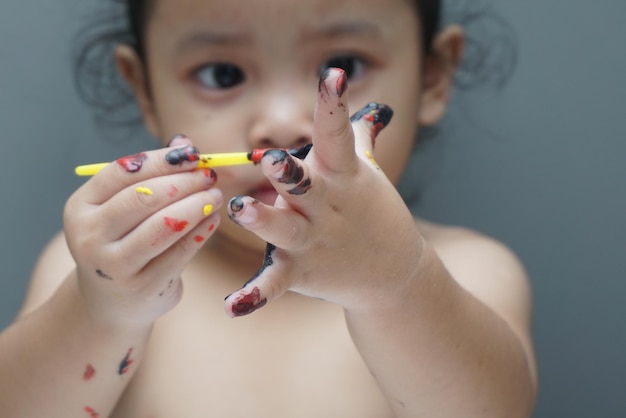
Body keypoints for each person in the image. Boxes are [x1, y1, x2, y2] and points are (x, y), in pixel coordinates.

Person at [0, 0, 537, 416]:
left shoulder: (469, 269)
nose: (283, 123)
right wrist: (99, 310)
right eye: (223, 75)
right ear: (144, 89)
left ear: (432, 76)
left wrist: (397, 281)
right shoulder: (100, 272)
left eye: (343, 64)